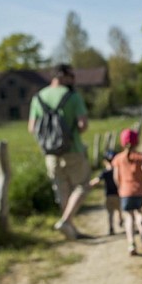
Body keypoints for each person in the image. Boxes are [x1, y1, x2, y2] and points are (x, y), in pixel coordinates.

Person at [28, 64, 90, 240]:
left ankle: (69, 227)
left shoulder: (38, 97)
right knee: (82, 186)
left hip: (50, 153)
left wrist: (50, 138)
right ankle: (66, 221)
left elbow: (32, 128)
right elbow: (82, 125)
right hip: (73, 150)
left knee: (62, 190)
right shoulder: (73, 96)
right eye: (72, 76)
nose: (74, 80)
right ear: (63, 76)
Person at [89, 150, 123, 236]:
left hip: (109, 196)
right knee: (119, 210)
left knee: (110, 213)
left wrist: (88, 184)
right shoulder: (118, 171)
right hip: (118, 195)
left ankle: (111, 227)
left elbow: (96, 181)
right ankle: (120, 220)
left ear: (104, 161)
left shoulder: (104, 172)